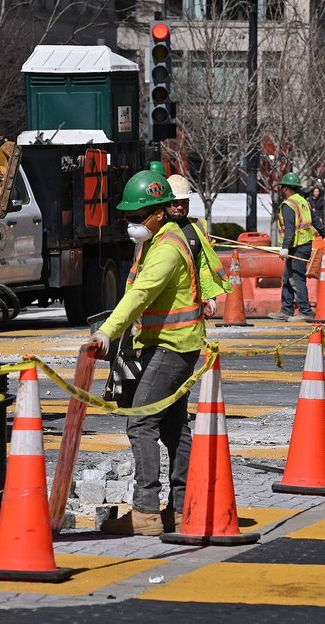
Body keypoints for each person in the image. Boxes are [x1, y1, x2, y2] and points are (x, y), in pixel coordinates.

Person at [89, 169, 204, 536]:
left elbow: (139, 296)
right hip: (172, 344)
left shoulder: (167, 248)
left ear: (159, 212)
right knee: (172, 427)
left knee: (140, 422)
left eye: (137, 217)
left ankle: (146, 512)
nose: (131, 224)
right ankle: (183, 508)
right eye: (127, 217)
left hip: (173, 346)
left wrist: (107, 332)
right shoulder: (156, 241)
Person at [166, 174, 232, 314]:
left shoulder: (198, 227)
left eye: (184, 202)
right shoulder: (156, 228)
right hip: (165, 301)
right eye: (175, 203)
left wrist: (210, 298)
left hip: (190, 300)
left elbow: (204, 266)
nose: (180, 207)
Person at [270, 172, 315, 322]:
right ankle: (286, 309)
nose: (281, 190)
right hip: (304, 244)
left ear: (286, 188)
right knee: (287, 277)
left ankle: (306, 311)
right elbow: (316, 220)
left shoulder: (289, 205)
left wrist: (285, 248)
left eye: (282, 187)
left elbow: (289, 229)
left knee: (296, 279)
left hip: (298, 247)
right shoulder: (303, 202)